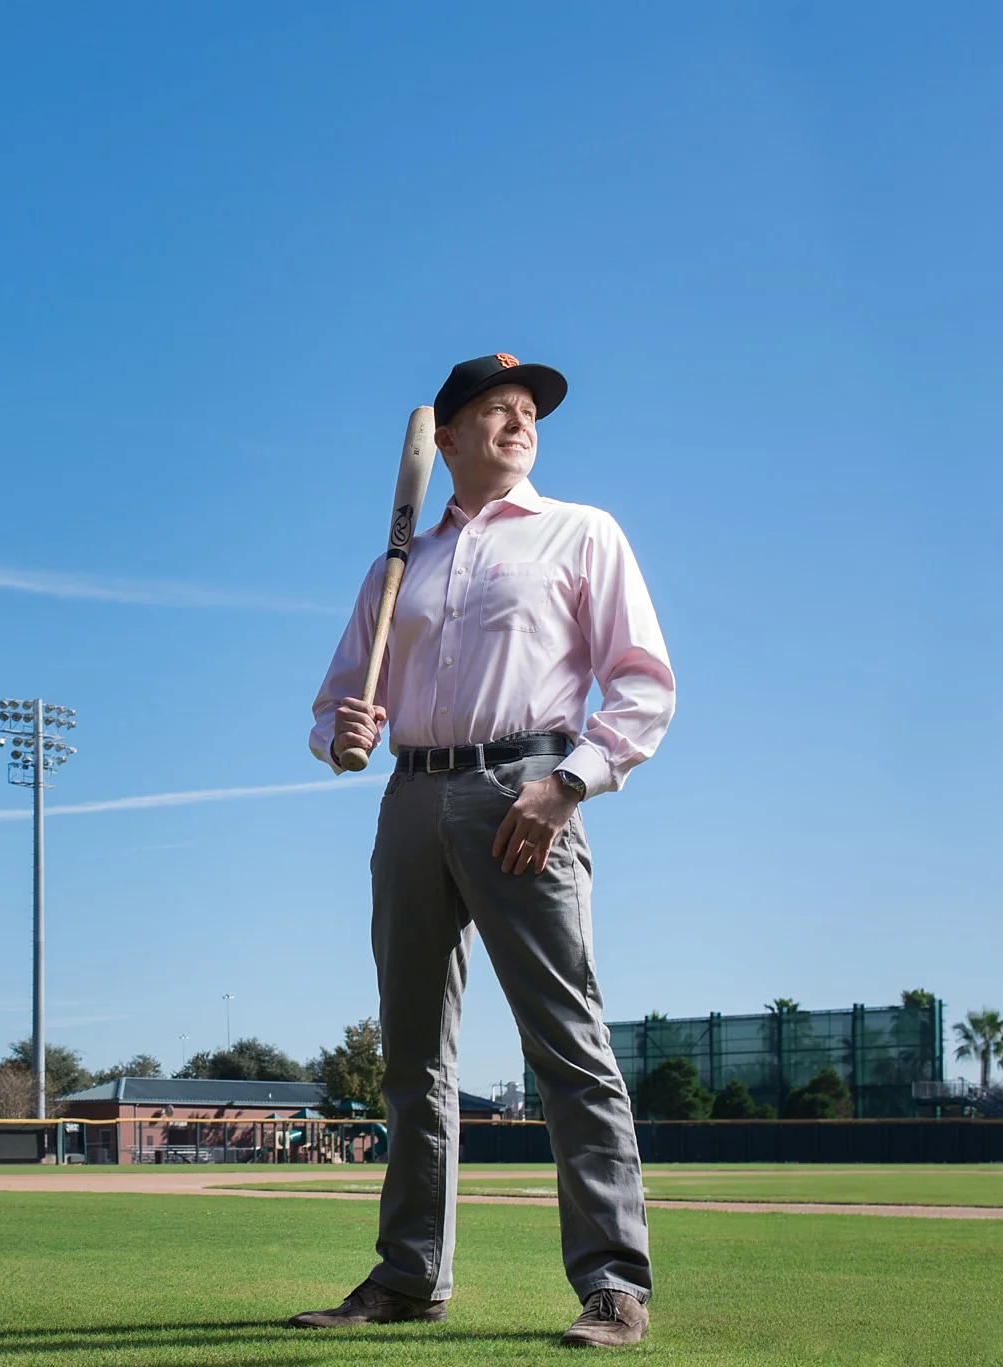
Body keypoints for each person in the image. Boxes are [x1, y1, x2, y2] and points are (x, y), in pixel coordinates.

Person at [292, 355, 675, 1348]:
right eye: (494, 410)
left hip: (527, 788)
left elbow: (640, 684)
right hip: (409, 795)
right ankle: (409, 1273)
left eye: (528, 411)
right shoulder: (398, 564)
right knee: (412, 1058)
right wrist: (343, 733)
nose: (519, 421)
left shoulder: (580, 531)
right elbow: (338, 700)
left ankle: (612, 1284)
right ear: (446, 439)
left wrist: (569, 783)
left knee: (566, 1044)